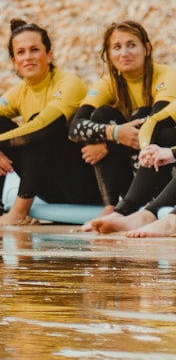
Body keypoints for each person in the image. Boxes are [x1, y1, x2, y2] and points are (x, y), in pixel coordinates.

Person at [0, 18, 102, 226]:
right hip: (50, 189)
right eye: (20, 52)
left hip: (86, 186)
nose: (28, 57)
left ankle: (19, 212)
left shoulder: (68, 82)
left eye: (34, 50)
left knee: (39, 127)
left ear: (49, 55)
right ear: (14, 62)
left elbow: (44, 126)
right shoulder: (19, 92)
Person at [70, 20, 176, 233]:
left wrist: (109, 145)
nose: (124, 53)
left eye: (131, 45)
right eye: (116, 47)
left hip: (162, 157)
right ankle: (112, 207)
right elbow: (75, 128)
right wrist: (114, 132)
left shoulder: (167, 75)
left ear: (147, 48)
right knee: (102, 115)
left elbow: (155, 123)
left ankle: (137, 207)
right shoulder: (108, 82)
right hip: (138, 163)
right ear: (108, 54)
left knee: (145, 116)